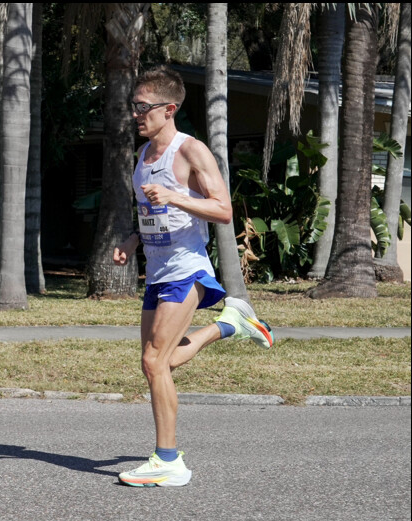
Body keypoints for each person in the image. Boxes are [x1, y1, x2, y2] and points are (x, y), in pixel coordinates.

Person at [112, 66, 274, 487]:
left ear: (169, 109)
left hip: (188, 267)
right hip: (157, 271)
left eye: (143, 107)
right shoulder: (143, 156)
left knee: (154, 361)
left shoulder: (190, 151)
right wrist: (132, 240)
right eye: (134, 106)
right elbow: (151, 213)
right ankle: (228, 325)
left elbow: (223, 210)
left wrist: (175, 196)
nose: (136, 114)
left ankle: (168, 460)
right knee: (158, 363)